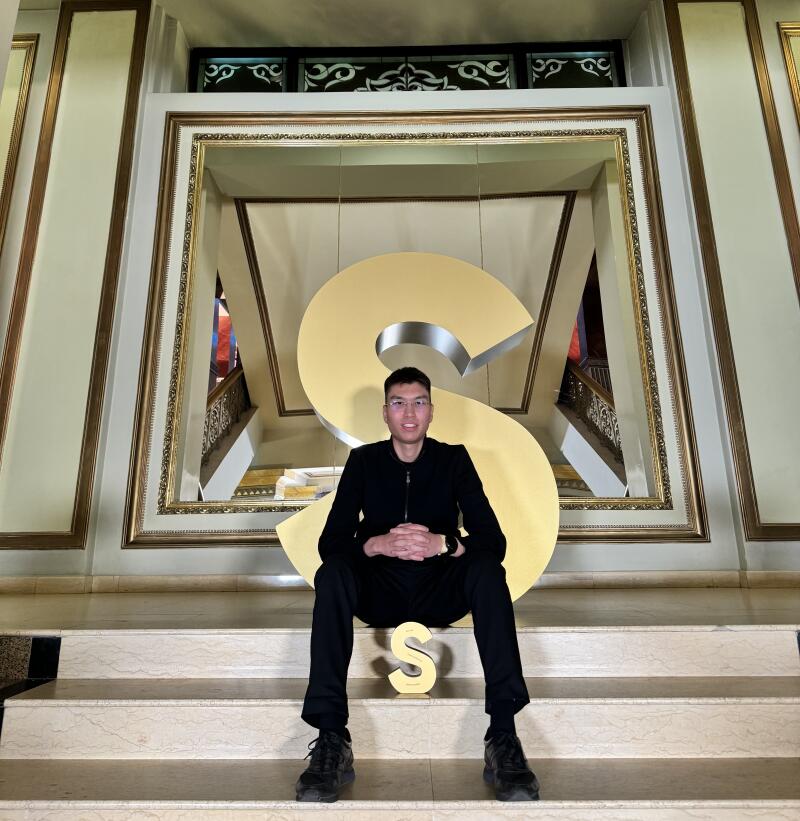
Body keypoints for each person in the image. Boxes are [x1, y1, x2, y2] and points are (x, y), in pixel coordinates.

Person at [295, 366, 538, 803]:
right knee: (332, 574)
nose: (409, 413)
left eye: (418, 403)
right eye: (399, 403)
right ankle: (332, 737)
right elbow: (331, 543)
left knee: (488, 571)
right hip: (380, 590)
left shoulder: (454, 459)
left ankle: (503, 735)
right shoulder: (363, 462)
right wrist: (378, 544)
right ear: (385, 412)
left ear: (431, 411)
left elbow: (492, 541)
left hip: (440, 588)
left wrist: (442, 544)